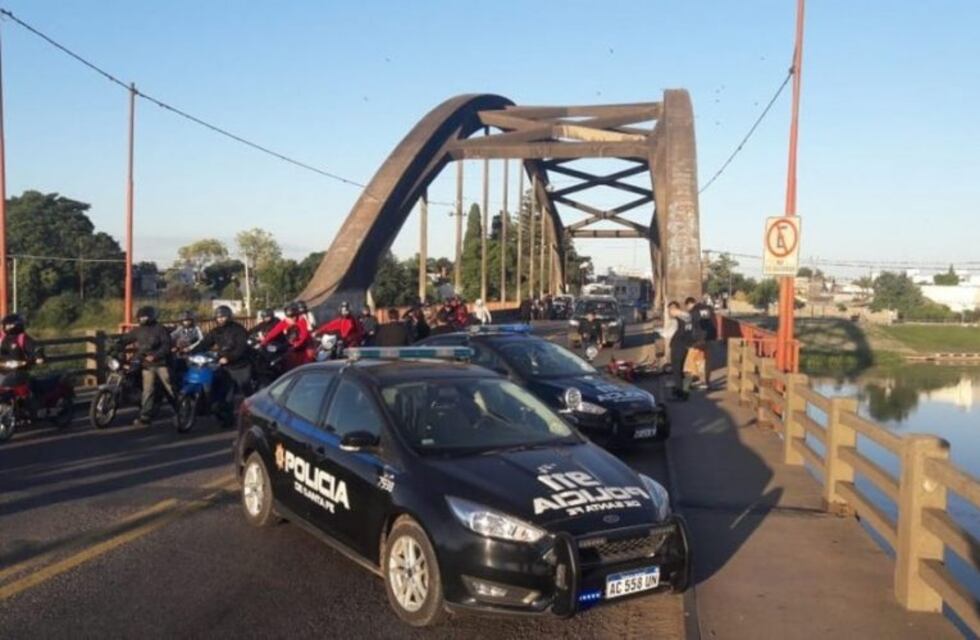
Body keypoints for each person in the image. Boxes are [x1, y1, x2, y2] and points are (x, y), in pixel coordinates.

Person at [118, 306, 178, 426]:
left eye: (145, 317)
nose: (142, 319)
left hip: (161, 364)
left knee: (170, 388)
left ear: (151, 317)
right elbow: (126, 339)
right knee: (148, 390)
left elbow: (166, 345)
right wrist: (116, 344)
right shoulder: (139, 330)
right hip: (146, 365)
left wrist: (156, 355)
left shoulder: (160, 329)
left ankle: (181, 409)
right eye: (141, 317)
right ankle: (145, 416)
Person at [197, 305, 251, 423]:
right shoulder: (216, 331)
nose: (221, 319)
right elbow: (205, 343)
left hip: (241, 365)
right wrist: (191, 353)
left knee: (247, 391)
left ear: (229, 317)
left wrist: (229, 357)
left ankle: (254, 415)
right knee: (226, 393)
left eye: (223, 317)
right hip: (225, 367)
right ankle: (228, 418)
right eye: (218, 317)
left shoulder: (238, 329)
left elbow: (241, 347)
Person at [261, 302, 312, 370]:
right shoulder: (286, 321)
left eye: (293, 316)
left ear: (297, 314)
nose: (291, 318)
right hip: (292, 348)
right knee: (287, 364)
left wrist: (296, 344)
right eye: (289, 316)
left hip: (306, 348)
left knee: (305, 368)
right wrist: (264, 341)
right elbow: (274, 332)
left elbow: (304, 335)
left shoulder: (301, 320)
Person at [0, 314, 43, 388]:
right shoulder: (2, 338)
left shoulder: (23, 338)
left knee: (6, 388)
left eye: (8, 325)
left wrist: (38, 356)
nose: (6, 327)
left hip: (18, 372)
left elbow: (34, 349)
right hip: (2, 371)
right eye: (5, 325)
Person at [666, 301, 696, 401]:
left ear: (676, 309)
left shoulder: (685, 317)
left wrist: (676, 312)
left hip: (679, 347)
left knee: (677, 370)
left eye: (671, 309)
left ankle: (680, 394)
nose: (670, 312)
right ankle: (680, 390)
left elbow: (687, 317)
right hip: (680, 346)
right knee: (678, 370)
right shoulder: (682, 318)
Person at [685, 296, 714, 388]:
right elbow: (707, 323)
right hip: (709, 339)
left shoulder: (692, 312)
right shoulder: (706, 309)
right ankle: (707, 382)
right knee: (706, 361)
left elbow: (690, 327)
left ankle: (696, 378)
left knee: (690, 361)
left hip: (698, 340)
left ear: (689, 304)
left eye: (687, 307)